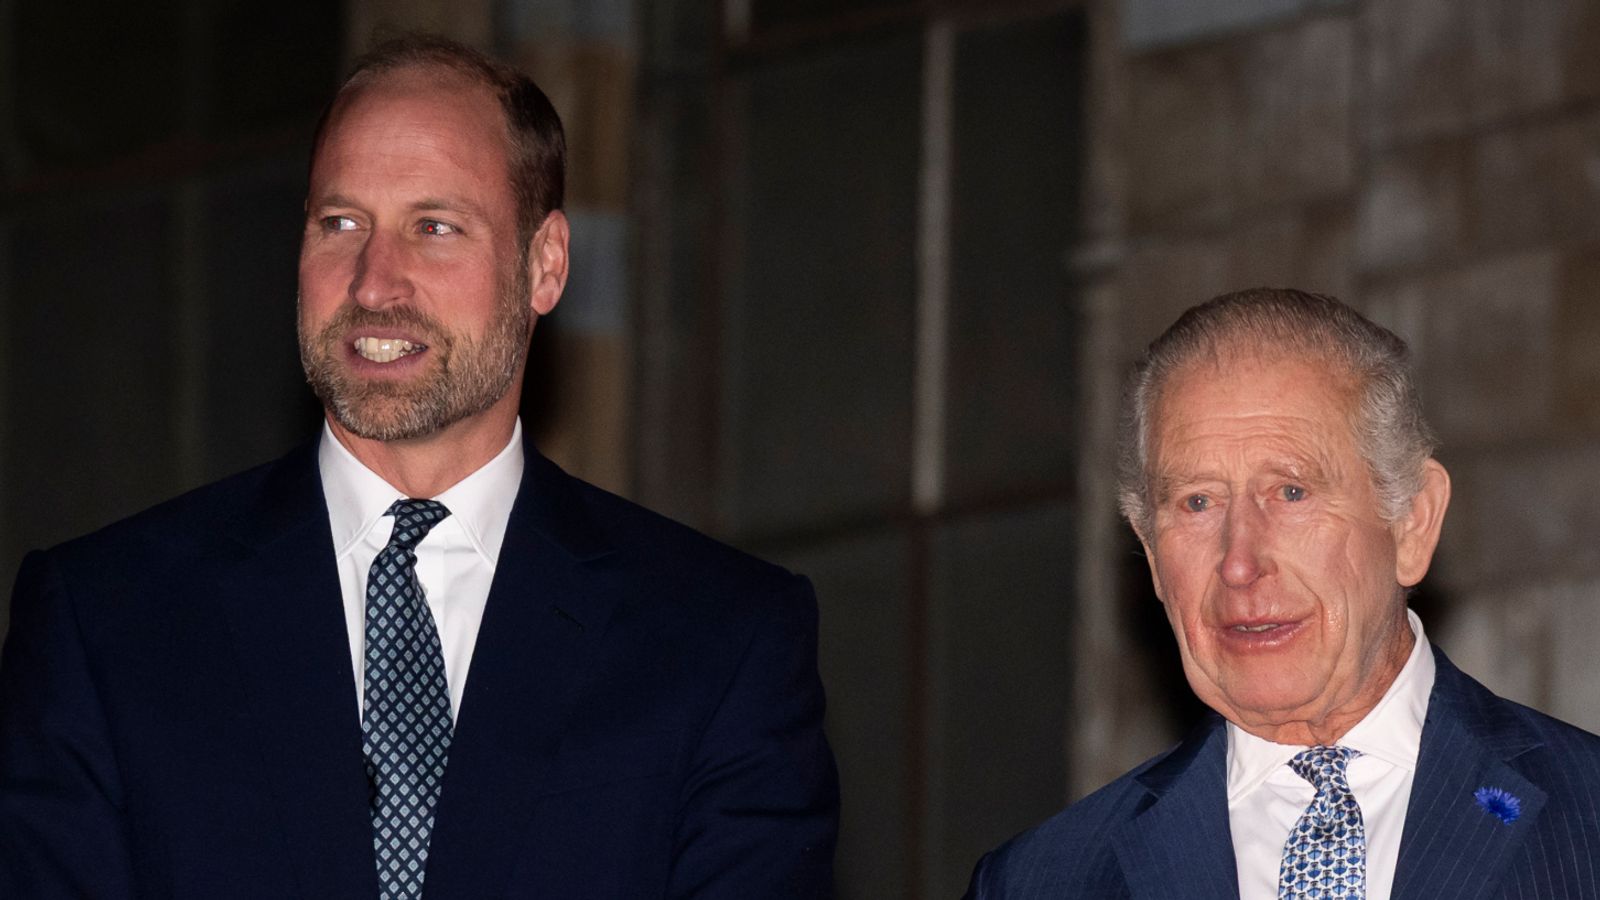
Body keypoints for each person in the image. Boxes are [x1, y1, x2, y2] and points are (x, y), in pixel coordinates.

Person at [0, 35, 837, 899]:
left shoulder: (718, 641)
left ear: (545, 263)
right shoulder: (108, 624)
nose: (373, 283)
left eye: (433, 227)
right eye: (341, 223)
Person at [966, 288, 1600, 898]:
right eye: (1196, 503)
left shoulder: (1587, 817)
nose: (1240, 562)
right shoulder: (1041, 881)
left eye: (1291, 492)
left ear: (1411, 521)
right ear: (1153, 557)